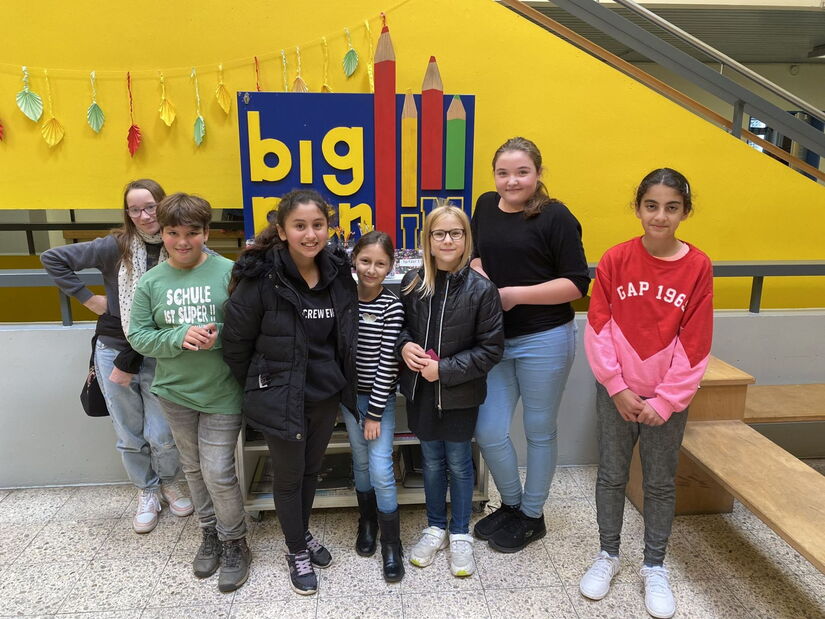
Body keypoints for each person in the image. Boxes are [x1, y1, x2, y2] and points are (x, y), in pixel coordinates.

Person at [578, 168, 713, 619]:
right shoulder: (615, 259)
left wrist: (667, 400)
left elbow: (696, 340)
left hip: (665, 402)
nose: (660, 216)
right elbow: (598, 326)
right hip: (617, 394)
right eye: (651, 206)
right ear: (638, 208)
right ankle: (608, 554)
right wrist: (616, 386)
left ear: (685, 212)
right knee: (611, 475)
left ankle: (654, 565)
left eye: (671, 207)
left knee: (658, 482)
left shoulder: (698, 267)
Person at [222, 189, 358, 596]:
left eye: (318, 225)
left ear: (328, 228)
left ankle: (301, 533)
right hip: (281, 397)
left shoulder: (338, 273)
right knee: (288, 477)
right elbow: (236, 345)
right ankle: (296, 549)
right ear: (282, 231)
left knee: (311, 471)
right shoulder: (261, 278)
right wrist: (264, 385)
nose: (310, 234)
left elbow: (344, 334)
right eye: (300, 226)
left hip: (324, 395)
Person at [41, 179, 192, 534]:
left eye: (150, 206)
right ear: (127, 213)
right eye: (135, 209)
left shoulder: (177, 242)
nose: (144, 215)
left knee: (162, 431)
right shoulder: (115, 246)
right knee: (128, 430)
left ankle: (170, 482)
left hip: (161, 349)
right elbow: (53, 258)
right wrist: (89, 299)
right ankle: (147, 490)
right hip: (115, 347)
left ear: (162, 204)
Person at [471, 137, 590, 552]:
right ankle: (512, 503)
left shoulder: (556, 217)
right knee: (488, 430)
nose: (511, 181)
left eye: (522, 172)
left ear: (538, 173)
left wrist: (514, 295)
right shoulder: (486, 205)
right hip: (494, 339)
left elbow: (576, 283)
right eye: (503, 173)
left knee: (539, 430)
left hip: (545, 338)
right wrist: (480, 272)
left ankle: (532, 515)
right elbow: (475, 254)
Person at [127, 193, 250, 593]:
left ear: (206, 233)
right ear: (161, 233)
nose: (182, 241)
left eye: (192, 233)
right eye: (173, 233)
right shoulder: (151, 281)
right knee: (193, 469)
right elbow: (138, 336)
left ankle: (235, 541)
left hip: (222, 391)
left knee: (218, 470)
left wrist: (217, 337)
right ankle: (209, 532)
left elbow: (249, 327)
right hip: (174, 393)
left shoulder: (229, 272)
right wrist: (178, 337)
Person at [398, 204, 504, 578]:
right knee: (430, 461)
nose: (447, 240)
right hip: (421, 393)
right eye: (439, 233)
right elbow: (400, 328)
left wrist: (442, 370)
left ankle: (459, 532)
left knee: (459, 462)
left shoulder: (482, 290)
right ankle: (435, 527)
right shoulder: (412, 283)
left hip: (460, 393)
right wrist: (404, 346)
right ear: (427, 240)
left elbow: (491, 350)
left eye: (455, 233)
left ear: (465, 239)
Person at [343, 231, 406, 582]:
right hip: (350, 399)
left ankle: (391, 543)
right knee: (360, 461)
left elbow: (387, 364)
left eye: (380, 263)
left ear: (390, 267)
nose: (371, 269)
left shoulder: (391, 306)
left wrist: (374, 413)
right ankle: (367, 522)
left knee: (381, 468)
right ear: (354, 259)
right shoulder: (343, 299)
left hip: (378, 401)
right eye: (365, 261)